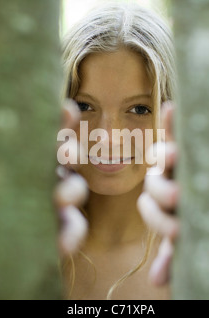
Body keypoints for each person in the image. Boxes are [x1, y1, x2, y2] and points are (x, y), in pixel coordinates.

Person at [54, 2, 179, 300]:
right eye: (84, 106)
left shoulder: (189, 254)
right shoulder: (29, 245)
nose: (107, 138)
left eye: (138, 109)